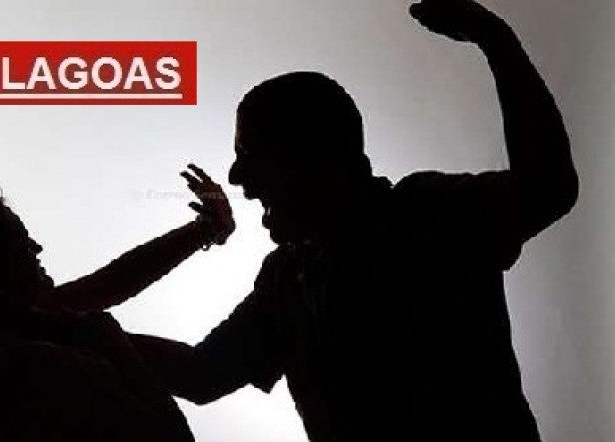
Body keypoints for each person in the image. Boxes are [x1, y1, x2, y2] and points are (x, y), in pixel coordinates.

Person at [126, 1, 579, 441]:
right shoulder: (288, 279)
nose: (236, 176)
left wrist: (495, 39)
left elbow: (548, 189)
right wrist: (91, 330)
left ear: (314, 154)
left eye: (251, 153)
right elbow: (203, 374)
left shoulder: (428, 214)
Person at [0, 164, 235, 442]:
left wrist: (205, 229)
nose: (37, 248)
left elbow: (111, 284)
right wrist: (114, 344)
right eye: (22, 239)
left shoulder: (4, 341)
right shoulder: (29, 369)